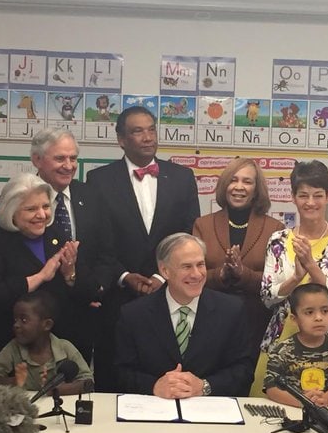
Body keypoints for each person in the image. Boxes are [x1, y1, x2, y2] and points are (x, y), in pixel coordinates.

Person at [86, 106, 200, 391]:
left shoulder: (182, 177)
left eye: (151, 129)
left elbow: (187, 235)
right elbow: (97, 241)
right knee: (115, 379)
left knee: (166, 377)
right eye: (138, 131)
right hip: (117, 297)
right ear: (121, 139)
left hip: (169, 295)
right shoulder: (98, 180)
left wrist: (162, 276)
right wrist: (124, 276)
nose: (148, 137)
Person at [0, 173, 92, 390]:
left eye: (46, 206)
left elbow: (89, 293)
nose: (41, 215)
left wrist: (70, 274)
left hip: (48, 356)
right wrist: (38, 278)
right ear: (11, 212)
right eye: (31, 209)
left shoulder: (57, 237)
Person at [255, 160, 328, 396]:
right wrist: (295, 278)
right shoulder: (278, 240)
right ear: (293, 197)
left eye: (318, 195)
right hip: (281, 340)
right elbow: (266, 297)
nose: (311, 203)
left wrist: (311, 266)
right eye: (303, 195)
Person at [115, 233, 253, 398]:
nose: (197, 274)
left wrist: (205, 386)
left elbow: (244, 369)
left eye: (200, 264)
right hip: (154, 413)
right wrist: (154, 386)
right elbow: (120, 372)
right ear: (165, 271)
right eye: (187, 267)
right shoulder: (134, 315)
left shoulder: (232, 310)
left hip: (211, 414)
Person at [27, 128, 114, 364]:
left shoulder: (92, 195)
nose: (68, 165)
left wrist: (97, 289)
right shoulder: (19, 197)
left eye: (73, 158)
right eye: (59, 158)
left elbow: (107, 253)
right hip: (36, 318)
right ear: (37, 160)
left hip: (83, 314)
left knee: (76, 387)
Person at [192, 158, 284, 360]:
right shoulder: (203, 225)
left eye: (247, 182)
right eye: (233, 180)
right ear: (225, 185)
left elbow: (279, 283)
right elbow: (191, 277)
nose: (239, 187)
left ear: (256, 189)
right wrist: (221, 274)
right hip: (212, 323)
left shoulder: (275, 229)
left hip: (257, 324)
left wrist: (244, 274)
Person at [0, 290, 93, 394]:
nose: (16, 325)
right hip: (26, 409)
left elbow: (88, 382)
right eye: (15, 320)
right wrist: (15, 381)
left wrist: (55, 390)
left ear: (47, 325)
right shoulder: (13, 348)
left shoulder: (65, 348)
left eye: (23, 320)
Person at [264, 283, 328, 407]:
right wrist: (301, 402)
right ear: (294, 319)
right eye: (309, 312)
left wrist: (321, 402)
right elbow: (271, 388)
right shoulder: (281, 350)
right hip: (292, 410)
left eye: (325, 311)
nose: (318, 317)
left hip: (326, 410)